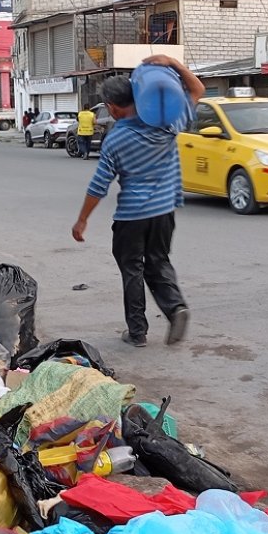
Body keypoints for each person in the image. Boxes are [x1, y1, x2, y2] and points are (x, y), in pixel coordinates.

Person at [71, 56, 204, 347]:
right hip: (164, 212)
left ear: (112, 107)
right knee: (158, 262)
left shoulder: (115, 140)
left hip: (131, 217)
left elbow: (99, 186)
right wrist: (173, 63)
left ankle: (137, 332)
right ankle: (176, 307)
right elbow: (197, 91)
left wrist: (82, 219)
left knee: (132, 269)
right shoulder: (168, 124)